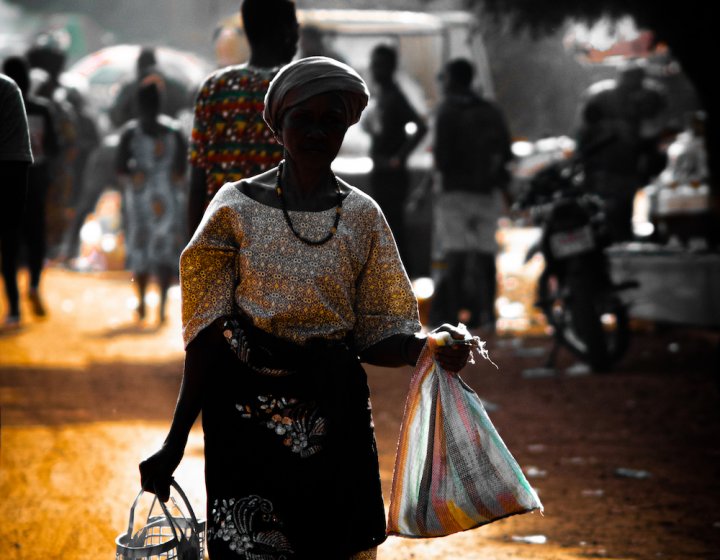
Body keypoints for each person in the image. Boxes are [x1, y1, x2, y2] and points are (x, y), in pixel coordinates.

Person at [138, 56, 471, 559]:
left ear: (346, 127)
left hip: (334, 423)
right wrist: (176, 440)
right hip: (244, 425)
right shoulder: (233, 208)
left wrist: (424, 347)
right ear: (278, 125)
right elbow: (207, 337)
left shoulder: (363, 216)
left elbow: (380, 330)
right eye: (303, 118)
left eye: (331, 120)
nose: (317, 131)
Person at [187, 0, 299, 237]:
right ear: (286, 31)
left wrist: (191, 255)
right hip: (276, 241)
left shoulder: (214, 88)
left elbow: (197, 182)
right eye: (294, 26)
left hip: (221, 238)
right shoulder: (295, 90)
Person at [428, 58, 513, 332]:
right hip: (486, 192)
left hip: (455, 193)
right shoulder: (491, 111)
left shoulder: (447, 112)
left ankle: (453, 318)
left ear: (453, 80)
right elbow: (506, 153)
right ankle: (489, 315)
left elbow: (441, 158)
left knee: (456, 256)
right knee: (486, 254)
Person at [116, 82, 187, 324]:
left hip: (138, 197)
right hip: (167, 198)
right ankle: (162, 308)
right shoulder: (174, 130)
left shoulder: (130, 132)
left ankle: (143, 302)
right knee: (165, 250)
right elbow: (181, 167)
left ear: (138, 104)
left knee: (140, 248)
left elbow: (120, 167)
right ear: (161, 102)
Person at [576, 62, 667, 242]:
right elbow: (584, 132)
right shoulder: (600, 97)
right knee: (599, 212)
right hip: (601, 169)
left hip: (626, 169)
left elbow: (652, 133)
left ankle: (617, 241)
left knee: (622, 213)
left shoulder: (648, 98)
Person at [3, 56, 60, 319]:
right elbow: (54, 148)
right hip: (35, 182)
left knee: (10, 245)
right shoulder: (42, 108)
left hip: (7, 181)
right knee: (36, 239)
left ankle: (14, 305)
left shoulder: (5, 98)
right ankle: (35, 285)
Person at [362, 44, 428, 267]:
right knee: (385, 225)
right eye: (374, 64)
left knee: (392, 226)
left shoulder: (395, 97)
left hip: (391, 174)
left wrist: (399, 158)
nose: (374, 69)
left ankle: (401, 276)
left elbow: (421, 127)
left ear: (390, 68)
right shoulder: (383, 96)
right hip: (381, 170)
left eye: (379, 65)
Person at [0, 71, 33, 328]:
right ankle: (14, 307)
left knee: (9, 245)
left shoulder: (6, 88)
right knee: (9, 245)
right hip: (14, 170)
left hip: (9, 169)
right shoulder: (9, 87)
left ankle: (13, 306)